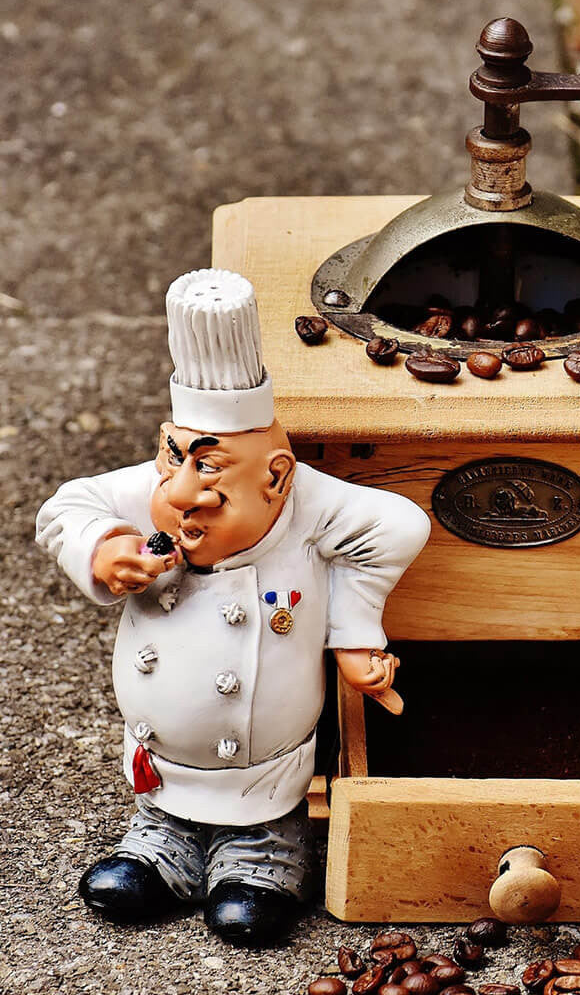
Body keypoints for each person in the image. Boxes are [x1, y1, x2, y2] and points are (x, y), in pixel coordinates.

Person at [36, 269, 430, 945]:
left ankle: (261, 856)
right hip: (160, 756)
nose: (183, 492)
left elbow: (397, 526)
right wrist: (103, 548)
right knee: (163, 804)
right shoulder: (154, 489)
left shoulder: (308, 504)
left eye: (210, 472)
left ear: (276, 477)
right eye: (173, 461)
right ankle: (164, 841)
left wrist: (353, 631)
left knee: (264, 805)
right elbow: (64, 508)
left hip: (265, 759)